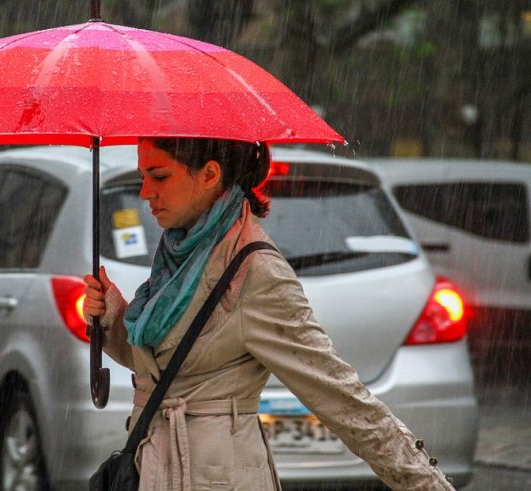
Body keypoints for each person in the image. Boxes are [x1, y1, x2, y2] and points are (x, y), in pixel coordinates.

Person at [83, 137, 454, 491]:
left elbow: (340, 396)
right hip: (153, 468)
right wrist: (112, 319)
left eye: (159, 176)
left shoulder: (256, 270)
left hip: (217, 478)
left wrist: (425, 483)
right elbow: (170, 370)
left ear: (210, 175)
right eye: (142, 176)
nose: (145, 191)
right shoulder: (180, 256)